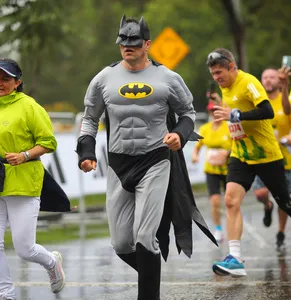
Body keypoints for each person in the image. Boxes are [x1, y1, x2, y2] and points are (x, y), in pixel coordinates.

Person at [76, 15, 216, 300]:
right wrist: (86, 152)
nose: (127, 47)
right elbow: (90, 119)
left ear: (147, 44)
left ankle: (149, 296)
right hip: (118, 163)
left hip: (155, 160)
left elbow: (188, 113)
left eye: (134, 43)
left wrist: (178, 133)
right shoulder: (104, 78)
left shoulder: (168, 78)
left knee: (144, 237)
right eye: (123, 42)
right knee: (121, 243)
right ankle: (152, 281)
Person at [206, 48, 291, 278]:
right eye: (213, 74)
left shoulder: (248, 82)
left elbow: (267, 111)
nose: (217, 78)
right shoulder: (223, 86)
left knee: (285, 203)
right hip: (241, 155)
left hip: (267, 154)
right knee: (230, 200)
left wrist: (237, 115)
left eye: (219, 72)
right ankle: (235, 258)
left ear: (232, 67)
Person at [0, 58, 65, 299]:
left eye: (5, 79)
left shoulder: (29, 106)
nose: (0, 83)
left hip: (23, 182)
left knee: (24, 249)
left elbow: (49, 142)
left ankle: (51, 262)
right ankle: (6, 294)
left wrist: (25, 155)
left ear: (17, 82)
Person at [252, 68, 291, 253]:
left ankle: (280, 232)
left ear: (278, 81)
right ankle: (267, 206)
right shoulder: (257, 101)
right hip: (261, 156)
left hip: (283, 158)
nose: (268, 80)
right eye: (265, 77)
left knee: (284, 199)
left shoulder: (286, 101)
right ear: (261, 81)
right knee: (260, 194)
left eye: (272, 77)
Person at [192, 100, 232, 242]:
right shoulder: (205, 128)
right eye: (211, 111)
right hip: (211, 170)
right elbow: (198, 145)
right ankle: (218, 229)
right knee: (215, 201)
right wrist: (195, 155)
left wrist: (226, 153)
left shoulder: (228, 127)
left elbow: (237, 145)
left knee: (230, 202)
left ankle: (232, 229)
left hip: (228, 170)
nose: (214, 113)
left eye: (216, 110)